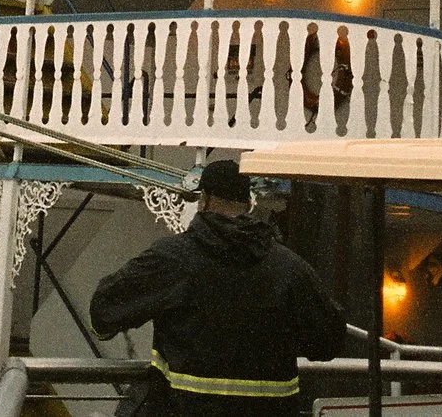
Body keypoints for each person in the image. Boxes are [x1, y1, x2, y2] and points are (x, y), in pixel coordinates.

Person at [90, 159, 345, 413]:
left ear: (204, 200)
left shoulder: (173, 259)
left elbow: (103, 310)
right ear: (248, 204)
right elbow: (328, 342)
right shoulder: (289, 267)